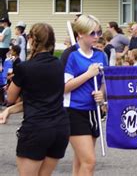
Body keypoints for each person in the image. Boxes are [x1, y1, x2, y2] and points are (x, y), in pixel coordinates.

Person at [5, 23, 70, 175]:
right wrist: (10, 110)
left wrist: (10, 103)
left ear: (32, 40)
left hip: (36, 128)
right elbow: (42, 98)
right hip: (60, 128)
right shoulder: (59, 65)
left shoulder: (25, 67)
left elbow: (10, 97)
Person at [61, 14, 107, 176]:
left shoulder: (101, 55)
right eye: (92, 33)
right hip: (73, 110)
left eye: (99, 33)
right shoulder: (71, 56)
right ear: (80, 33)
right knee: (89, 161)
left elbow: (104, 82)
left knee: (81, 161)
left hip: (93, 111)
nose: (97, 37)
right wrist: (88, 74)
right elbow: (64, 87)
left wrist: (101, 94)